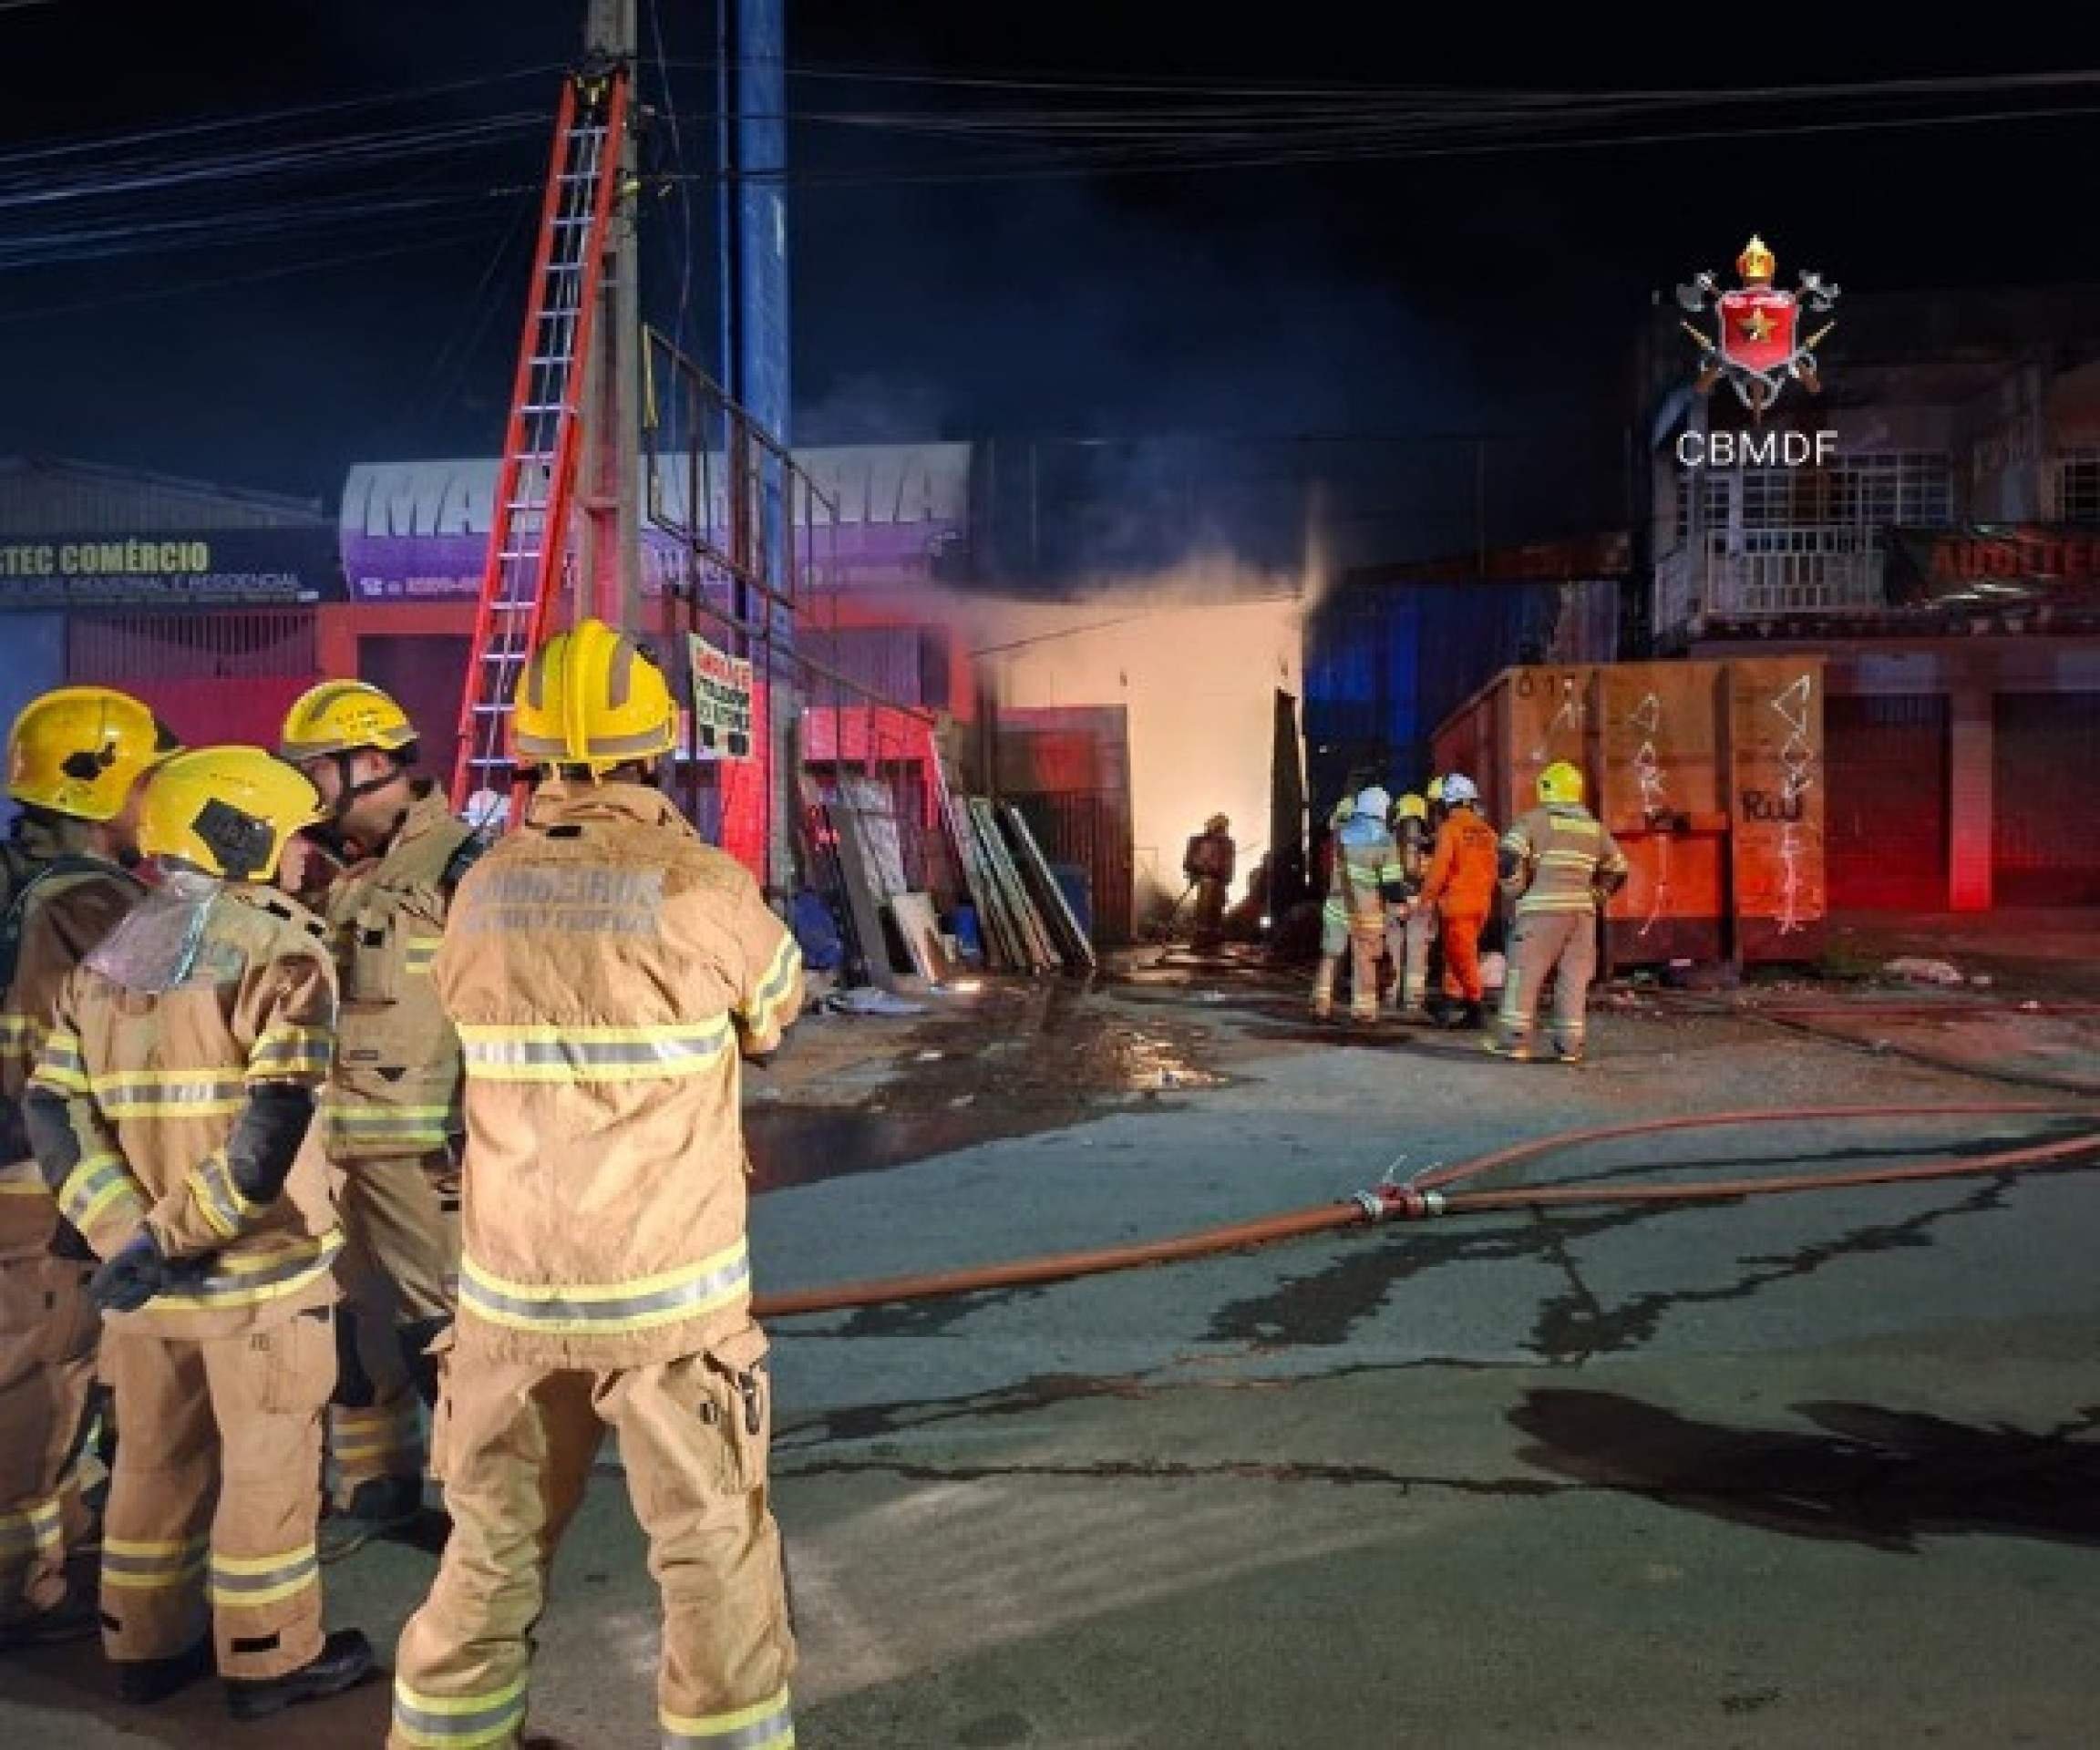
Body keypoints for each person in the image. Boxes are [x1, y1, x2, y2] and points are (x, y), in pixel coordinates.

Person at [390, 621, 803, 1750]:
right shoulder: (698, 887)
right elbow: (772, 1017)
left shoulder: (480, 895)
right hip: (669, 1301)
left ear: (531, 756)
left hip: (510, 1302)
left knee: (490, 1551)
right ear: (659, 750)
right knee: (709, 1554)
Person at [24, 746, 373, 1717]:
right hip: (256, 1280)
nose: (309, 851)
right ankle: (269, 1658)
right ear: (241, 833)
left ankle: (141, 1645)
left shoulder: (111, 954)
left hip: (142, 1290)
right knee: (267, 1469)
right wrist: (171, 1236)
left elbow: (55, 1110)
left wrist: (123, 1236)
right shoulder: (282, 951)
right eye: (294, 831)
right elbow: (270, 1134)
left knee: (151, 1463)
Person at [277, 682, 480, 1552]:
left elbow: (497, 1010)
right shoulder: (341, 872)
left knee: (447, 1335)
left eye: (313, 769)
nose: (304, 787)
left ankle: (483, 1511)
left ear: (368, 765)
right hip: (334, 1150)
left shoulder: (461, 867)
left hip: (421, 1151)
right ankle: (377, 1481)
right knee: (354, 1332)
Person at [0, 688, 177, 1651]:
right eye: (146, 780)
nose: (152, 798)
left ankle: (51, 1551)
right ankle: (23, 1584)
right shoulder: (96, 901)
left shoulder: (17, 877)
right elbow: (189, 996)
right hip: (43, 1184)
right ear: (102, 783)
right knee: (41, 1377)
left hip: (17, 1165)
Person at [1487, 761, 1629, 1065]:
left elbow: (1508, 857)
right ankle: (1570, 1046)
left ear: (1546, 788)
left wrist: (1515, 890)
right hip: (1582, 916)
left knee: (1523, 976)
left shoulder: (1534, 821)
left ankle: (1514, 1042)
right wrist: (1596, 895)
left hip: (1540, 913)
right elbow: (1618, 869)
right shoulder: (1594, 828)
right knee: (1574, 980)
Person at [1311, 787, 1405, 1024]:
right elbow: (1392, 883)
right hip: (1367, 912)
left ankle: (1320, 1005)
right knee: (1365, 960)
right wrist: (1401, 906)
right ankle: (1363, 1011)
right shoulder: (1385, 839)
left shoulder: (1343, 832)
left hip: (1336, 905)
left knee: (1331, 955)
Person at [1418, 772, 1498, 1029]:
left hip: (1457, 903)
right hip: (1482, 903)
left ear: (1448, 802)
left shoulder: (1450, 829)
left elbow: (1439, 868)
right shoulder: (1488, 832)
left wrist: (1426, 899)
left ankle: (1476, 1006)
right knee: (1459, 952)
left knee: (1462, 955)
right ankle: (1449, 1000)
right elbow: (1495, 867)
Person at [1386, 791, 1436, 1023]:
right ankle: (1413, 999)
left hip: (1395, 899)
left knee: (1396, 948)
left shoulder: (1390, 837)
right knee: (1417, 950)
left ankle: (1394, 992)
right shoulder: (1428, 841)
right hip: (1419, 899)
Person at [1183, 813, 1235, 952]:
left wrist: (1226, 878)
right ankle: (1202, 939)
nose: (1222, 831)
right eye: (1220, 827)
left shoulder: (1227, 843)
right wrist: (1195, 870)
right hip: (1205, 880)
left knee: (1216, 909)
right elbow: (1189, 860)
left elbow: (1229, 863)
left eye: (1224, 828)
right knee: (1204, 909)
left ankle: (1212, 940)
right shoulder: (1197, 841)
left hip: (1219, 881)